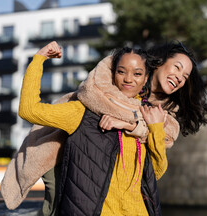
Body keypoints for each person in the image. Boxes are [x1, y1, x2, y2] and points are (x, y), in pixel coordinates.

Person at [18, 41, 167, 215]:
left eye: (137, 73)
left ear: (145, 79)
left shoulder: (144, 118)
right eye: (121, 71)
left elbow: (156, 172)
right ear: (112, 75)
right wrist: (39, 59)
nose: (128, 79)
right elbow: (29, 110)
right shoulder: (83, 111)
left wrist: (156, 129)